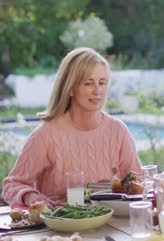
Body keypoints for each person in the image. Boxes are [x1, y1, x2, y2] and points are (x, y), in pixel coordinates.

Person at [2, 47, 142, 207]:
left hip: (112, 224)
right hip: (61, 227)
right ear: (70, 88)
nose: (98, 91)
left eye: (102, 83)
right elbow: (11, 185)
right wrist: (31, 197)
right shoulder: (46, 135)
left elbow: (137, 180)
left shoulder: (118, 131)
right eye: (88, 83)